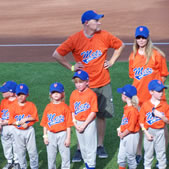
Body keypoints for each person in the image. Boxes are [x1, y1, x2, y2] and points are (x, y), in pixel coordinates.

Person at [52, 10, 124, 160]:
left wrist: (112, 61)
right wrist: (71, 67)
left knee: (101, 115)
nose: (99, 23)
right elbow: (57, 54)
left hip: (103, 83)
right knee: (81, 116)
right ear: (86, 23)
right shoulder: (75, 39)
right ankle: (79, 148)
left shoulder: (104, 35)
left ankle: (99, 145)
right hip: (84, 87)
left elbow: (120, 45)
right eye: (96, 20)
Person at [128, 25, 169, 164]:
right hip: (138, 98)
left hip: (156, 98)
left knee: (161, 126)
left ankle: (160, 155)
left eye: (143, 37)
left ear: (148, 37)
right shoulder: (132, 56)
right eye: (138, 37)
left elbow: (163, 75)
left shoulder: (156, 55)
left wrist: (156, 92)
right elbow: (134, 77)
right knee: (141, 125)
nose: (140, 40)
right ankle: (139, 153)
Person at [40, 82, 73, 169]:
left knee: (65, 156)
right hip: (50, 134)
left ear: (62, 94)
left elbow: (69, 125)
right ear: (50, 94)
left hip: (63, 134)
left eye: (58, 92)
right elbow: (45, 123)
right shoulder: (48, 107)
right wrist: (45, 136)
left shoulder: (65, 107)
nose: (56, 94)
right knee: (51, 157)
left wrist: (68, 138)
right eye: (54, 92)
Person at [70, 70, 98, 169]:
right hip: (78, 123)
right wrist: (76, 124)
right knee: (83, 147)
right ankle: (87, 165)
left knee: (90, 146)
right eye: (76, 82)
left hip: (89, 123)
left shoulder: (91, 94)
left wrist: (84, 125)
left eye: (81, 82)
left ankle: (91, 166)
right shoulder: (73, 94)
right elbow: (72, 111)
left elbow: (93, 112)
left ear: (87, 82)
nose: (78, 84)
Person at [139, 80, 169, 169]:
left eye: (162, 91)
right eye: (159, 91)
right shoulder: (145, 105)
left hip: (160, 132)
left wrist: (161, 116)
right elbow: (141, 122)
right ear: (151, 92)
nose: (161, 93)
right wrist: (146, 133)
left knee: (161, 154)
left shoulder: (165, 105)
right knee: (148, 155)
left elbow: (168, 121)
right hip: (149, 132)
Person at [8, 83, 39, 169]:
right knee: (20, 152)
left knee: (32, 151)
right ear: (15, 94)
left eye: (23, 94)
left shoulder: (31, 105)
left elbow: (35, 117)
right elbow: (11, 121)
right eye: (19, 94)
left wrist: (27, 121)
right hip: (17, 131)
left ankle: (34, 167)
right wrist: (19, 123)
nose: (21, 96)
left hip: (29, 131)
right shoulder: (13, 106)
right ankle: (22, 167)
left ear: (27, 95)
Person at [0, 81, 19, 169]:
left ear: (11, 92)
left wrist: (7, 122)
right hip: (4, 127)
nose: (2, 92)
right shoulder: (3, 102)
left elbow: (18, 117)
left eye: (4, 91)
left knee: (16, 144)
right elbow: (0, 115)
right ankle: (9, 161)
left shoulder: (18, 102)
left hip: (14, 127)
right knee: (6, 144)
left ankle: (17, 162)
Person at [116, 84, 140, 169]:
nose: (121, 95)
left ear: (125, 96)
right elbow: (125, 122)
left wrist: (122, 134)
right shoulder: (127, 107)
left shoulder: (133, 110)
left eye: (122, 94)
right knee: (121, 158)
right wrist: (120, 129)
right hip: (125, 135)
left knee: (130, 158)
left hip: (131, 136)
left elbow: (131, 127)